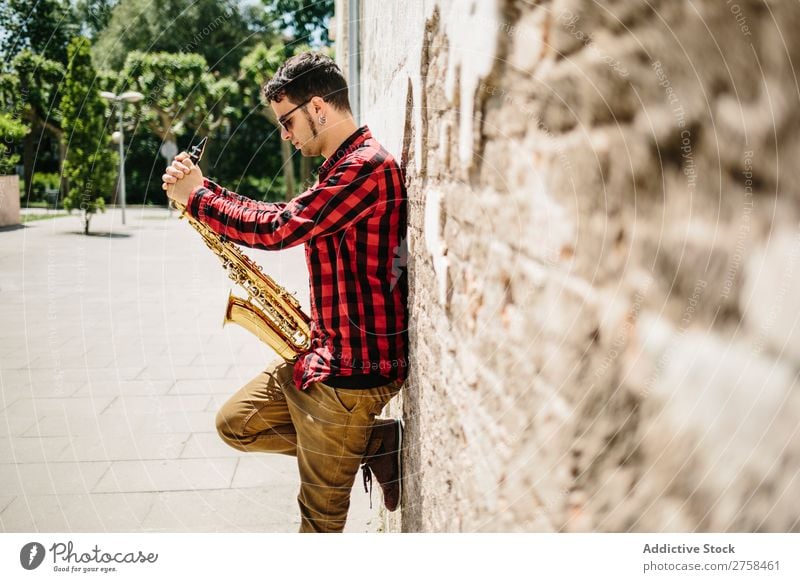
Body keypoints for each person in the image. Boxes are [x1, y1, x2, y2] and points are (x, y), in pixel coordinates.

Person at [161, 52, 409, 533]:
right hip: (325, 356)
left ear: (318, 107)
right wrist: (203, 188)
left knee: (317, 524)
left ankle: (357, 438)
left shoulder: (366, 168)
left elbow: (278, 227)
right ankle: (374, 442)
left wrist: (198, 197)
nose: (284, 134)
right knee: (236, 423)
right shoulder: (340, 166)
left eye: (287, 120)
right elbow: (284, 210)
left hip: (353, 374)